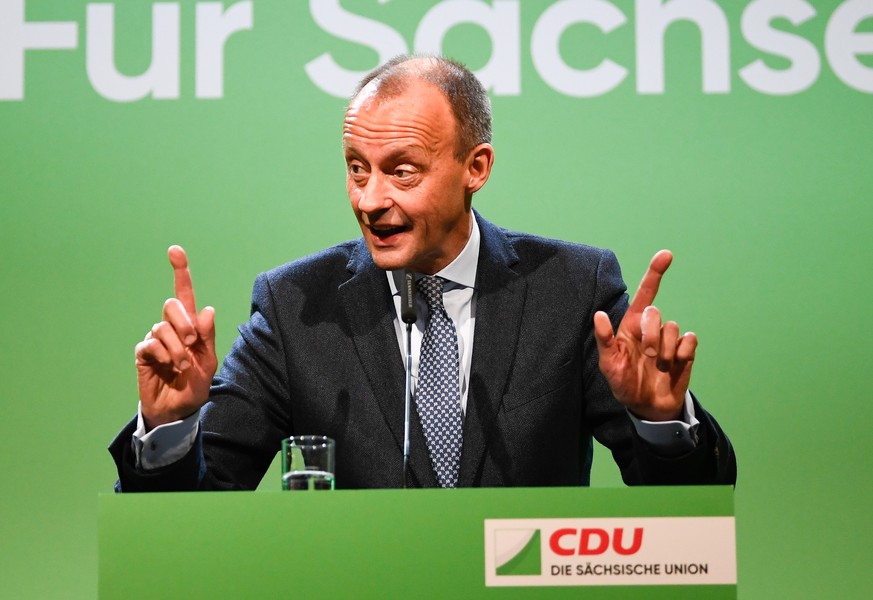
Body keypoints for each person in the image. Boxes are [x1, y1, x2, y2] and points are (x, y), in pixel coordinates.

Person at [109, 55, 736, 491]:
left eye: (401, 170)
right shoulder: (296, 306)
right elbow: (193, 513)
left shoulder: (570, 288)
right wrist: (170, 428)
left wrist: (660, 423)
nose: (369, 199)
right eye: (357, 168)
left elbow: (688, 511)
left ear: (476, 167)